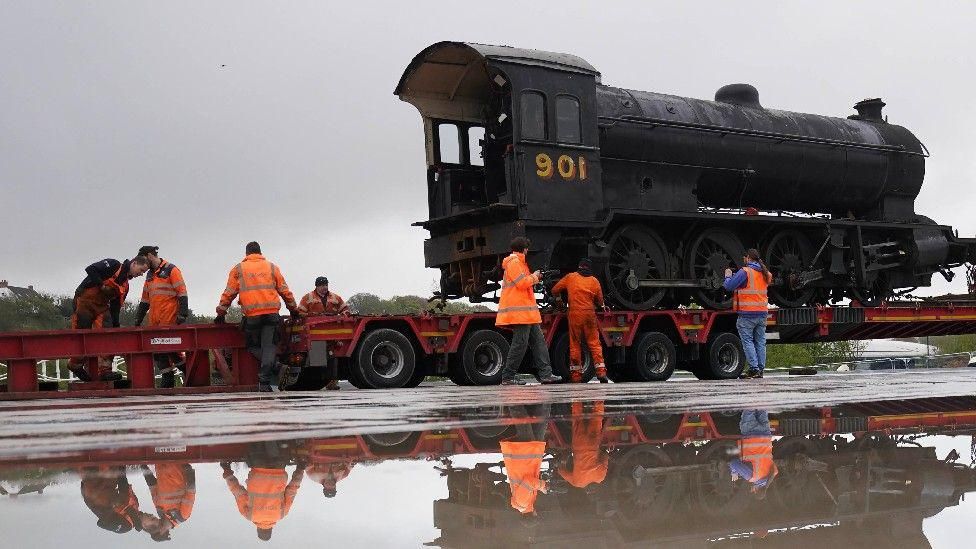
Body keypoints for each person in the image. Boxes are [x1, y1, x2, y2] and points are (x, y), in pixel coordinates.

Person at [216, 241, 300, 392]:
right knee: (269, 347)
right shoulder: (272, 267)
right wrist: (294, 309)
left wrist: (221, 313)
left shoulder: (239, 268)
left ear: (247, 254)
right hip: (271, 314)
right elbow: (285, 291)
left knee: (252, 347)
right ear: (260, 253)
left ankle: (277, 368)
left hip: (252, 316)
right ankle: (265, 381)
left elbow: (229, 293)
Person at [68, 256, 151, 381]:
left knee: (108, 333)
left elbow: (116, 307)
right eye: (141, 270)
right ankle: (75, 365)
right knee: (81, 335)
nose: (141, 274)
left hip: (101, 307)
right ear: (134, 263)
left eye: (143, 272)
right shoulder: (113, 265)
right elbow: (91, 269)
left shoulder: (125, 286)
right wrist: (101, 286)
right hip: (83, 302)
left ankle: (105, 371)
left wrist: (116, 325)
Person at [496, 237, 561, 385]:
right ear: (524, 249)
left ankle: (546, 374)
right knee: (520, 343)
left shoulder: (519, 263)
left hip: (527, 313)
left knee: (539, 343)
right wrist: (535, 277)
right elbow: (522, 283)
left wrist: (535, 277)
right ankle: (508, 376)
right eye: (527, 248)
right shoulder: (514, 263)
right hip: (520, 313)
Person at [134, 246, 189, 388]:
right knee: (158, 352)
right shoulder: (150, 275)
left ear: (150, 256)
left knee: (172, 351)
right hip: (155, 322)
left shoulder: (171, 270)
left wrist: (182, 313)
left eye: (144, 259)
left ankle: (188, 373)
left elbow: (182, 292)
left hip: (169, 319)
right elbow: (145, 299)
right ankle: (168, 379)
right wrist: (138, 319)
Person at [551, 259, 609, 383]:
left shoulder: (571, 277)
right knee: (594, 343)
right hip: (589, 314)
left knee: (575, 344)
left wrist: (560, 304)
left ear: (579, 267)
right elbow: (599, 301)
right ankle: (601, 373)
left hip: (575, 314)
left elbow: (555, 290)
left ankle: (576, 376)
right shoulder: (594, 281)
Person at [221, 460, 305, 541]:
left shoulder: (281, 514)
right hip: (257, 467)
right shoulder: (249, 515)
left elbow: (292, 490)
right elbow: (238, 492)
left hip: (279, 468)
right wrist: (227, 470)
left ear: (271, 529)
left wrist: (300, 469)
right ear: (258, 529)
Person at [723, 248, 772, 379]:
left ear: (748, 258)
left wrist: (728, 275)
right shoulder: (764, 273)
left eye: (744, 258)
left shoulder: (745, 272)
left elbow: (729, 286)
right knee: (760, 342)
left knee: (748, 342)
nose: (743, 260)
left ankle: (754, 369)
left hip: (747, 314)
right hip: (762, 313)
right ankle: (760, 369)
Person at [500, 405, 549, 515]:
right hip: (532, 453)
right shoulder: (528, 502)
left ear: (532, 515)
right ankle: (544, 394)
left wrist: (543, 486)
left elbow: (528, 481)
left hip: (525, 453)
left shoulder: (522, 503)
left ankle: (512, 393)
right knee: (542, 419)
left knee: (522, 418)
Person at [557, 401, 609, 489]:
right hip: (579, 445)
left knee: (597, 418)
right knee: (577, 419)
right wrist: (564, 459)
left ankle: (598, 396)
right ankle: (577, 395)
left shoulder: (600, 477)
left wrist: (599, 452)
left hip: (593, 444)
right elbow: (561, 471)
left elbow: (605, 457)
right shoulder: (578, 483)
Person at [729, 409, 778, 497]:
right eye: (752, 491)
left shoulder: (772, 473)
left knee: (761, 405)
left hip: (766, 434)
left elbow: (772, 468)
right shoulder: (752, 477)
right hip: (751, 434)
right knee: (750, 405)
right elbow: (733, 463)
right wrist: (734, 473)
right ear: (755, 490)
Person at [141, 463, 196, 541]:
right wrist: (188, 470)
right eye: (154, 530)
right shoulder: (182, 516)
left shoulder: (160, 512)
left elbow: (153, 487)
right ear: (162, 532)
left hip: (159, 465)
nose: (153, 526)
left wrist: (143, 467)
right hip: (175, 466)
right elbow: (191, 492)